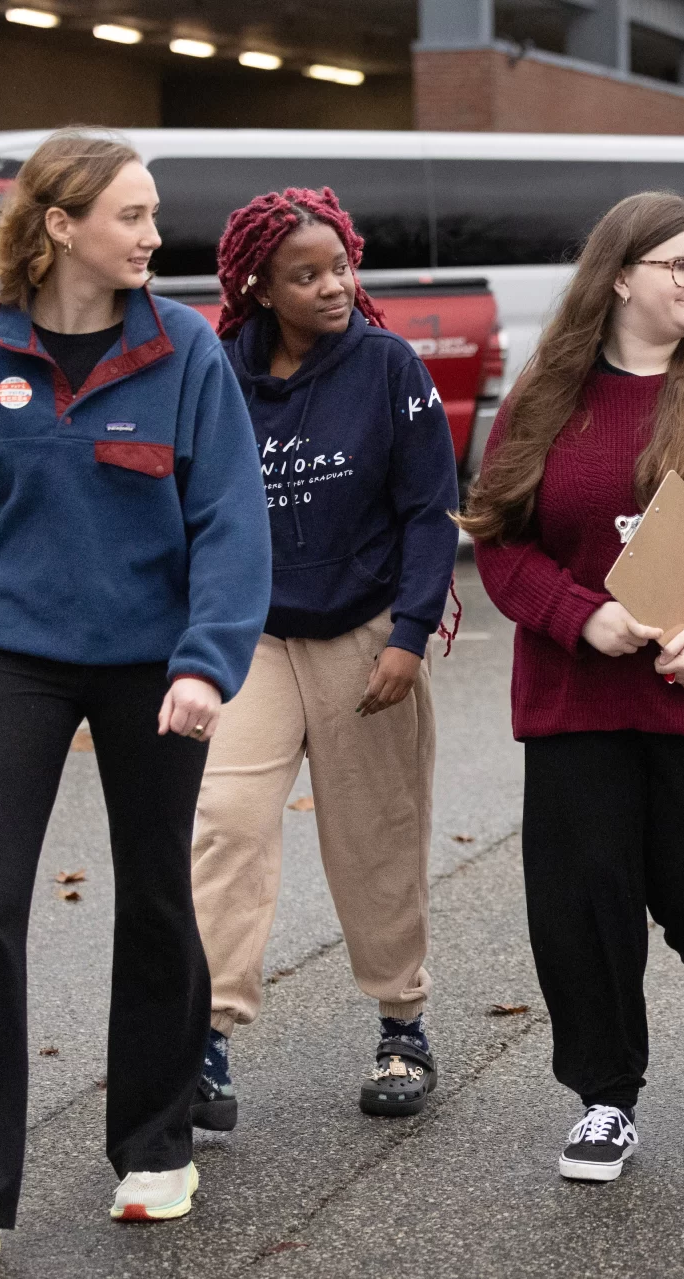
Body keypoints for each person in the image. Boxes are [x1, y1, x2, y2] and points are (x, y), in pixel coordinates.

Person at [0, 129, 270, 1265]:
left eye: (153, 215)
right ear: (58, 225)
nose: (153, 235)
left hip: (157, 667)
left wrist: (206, 662)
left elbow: (231, 523)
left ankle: (154, 1143)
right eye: (131, 216)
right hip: (23, 661)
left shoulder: (185, 350)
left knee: (153, 900)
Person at [460, 191, 684, 1184]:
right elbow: (499, 539)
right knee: (581, 899)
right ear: (619, 276)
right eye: (679, 266)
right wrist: (581, 614)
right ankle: (605, 1097)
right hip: (577, 698)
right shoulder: (546, 398)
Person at [186, 188, 460, 1130]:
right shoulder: (217, 372)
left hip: (364, 634)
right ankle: (207, 1038)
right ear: (257, 285)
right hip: (252, 636)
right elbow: (193, 509)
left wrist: (410, 633)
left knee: (376, 834)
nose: (334, 285)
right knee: (226, 818)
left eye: (341, 265)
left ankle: (402, 1022)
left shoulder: (388, 367)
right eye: (306, 275)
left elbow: (432, 508)